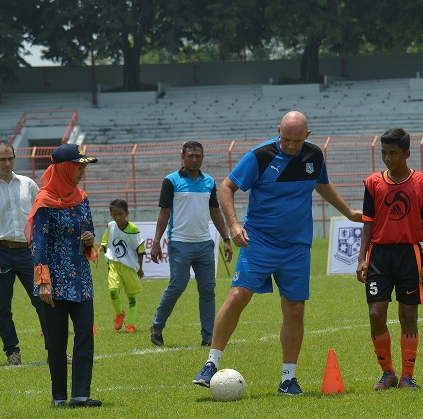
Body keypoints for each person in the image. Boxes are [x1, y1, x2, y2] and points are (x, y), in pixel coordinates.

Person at [192, 111, 362, 395]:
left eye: (297, 141)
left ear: (307, 136)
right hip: (258, 241)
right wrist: (234, 224)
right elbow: (226, 187)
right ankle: (211, 363)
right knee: (237, 296)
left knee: (295, 309)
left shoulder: (314, 155)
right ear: (278, 131)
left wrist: (348, 211)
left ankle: (288, 379)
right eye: (286, 139)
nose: (291, 146)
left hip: (296, 246)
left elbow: (321, 183)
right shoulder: (260, 155)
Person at [356, 127, 423, 391]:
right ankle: (387, 372)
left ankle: (407, 376)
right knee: (376, 312)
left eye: (393, 153)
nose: (387, 158)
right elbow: (368, 224)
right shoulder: (373, 183)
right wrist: (361, 259)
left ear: (407, 154)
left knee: (408, 314)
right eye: (383, 153)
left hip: (410, 254)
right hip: (378, 255)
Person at [25, 144, 101, 407]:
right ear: (65, 168)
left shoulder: (82, 198)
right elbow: (39, 244)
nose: (82, 171)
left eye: (83, 167)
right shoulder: (45, 201)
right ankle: (59, 397)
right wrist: (43, 282)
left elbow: (88, 232)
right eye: (79, 166)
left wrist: (91, 240)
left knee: (84, 333)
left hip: (81, 280)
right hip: (54, 283)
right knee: (56, 341)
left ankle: (81, 394)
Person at [0, 140, 53, 366]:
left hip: (28, 252)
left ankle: (54, 351)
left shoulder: (28, 184)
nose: (7, 163)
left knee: (43, 301)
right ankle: (12, 352)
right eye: (2, 160)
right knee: (3, 306)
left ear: (15, 158)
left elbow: (40, 216)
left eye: (10, 158)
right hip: (0, 253)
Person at [149, 141, 233, 347]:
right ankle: (157, 326)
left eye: (198, 156)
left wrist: (226, 238)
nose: (194, 159)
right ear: (183, 157)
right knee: (178, 284)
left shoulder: (209, 182)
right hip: (179, 243)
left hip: (205, 244)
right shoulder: (171, 181)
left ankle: (208, 336)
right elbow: (164, 213)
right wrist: (157, 241)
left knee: (207, 290)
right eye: (190, 156)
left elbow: (215, 212)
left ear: (202, 157)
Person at [97, 199, 146, 333]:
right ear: (111, 215)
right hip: (114, 264)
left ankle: (131, 324)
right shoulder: (111, 226)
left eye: (121, 214)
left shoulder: (133, 229)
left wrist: (140, 268)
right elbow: (105, 241)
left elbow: (140, 249)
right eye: (115, 214)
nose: (118, 217)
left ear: (127, 213)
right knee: (113, 290)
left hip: (129, 267)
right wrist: (100, 250)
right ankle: (119, 313)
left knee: (131, 297)